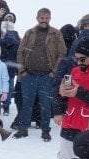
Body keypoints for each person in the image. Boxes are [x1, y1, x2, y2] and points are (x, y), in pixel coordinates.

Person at [17, 9, 67, 139]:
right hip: (29, 75)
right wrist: (22, 70)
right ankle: (23, 129)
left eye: (47, 18)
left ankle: (45, 130)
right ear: (37, 18)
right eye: (42, 18)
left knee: (45, 105)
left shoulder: (56, 34)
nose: (44, 20)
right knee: (26, 104)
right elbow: (20, 52)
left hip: (47, 77)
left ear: (50, 18)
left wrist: (54, 71)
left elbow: (62, 54)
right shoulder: (29, 33)